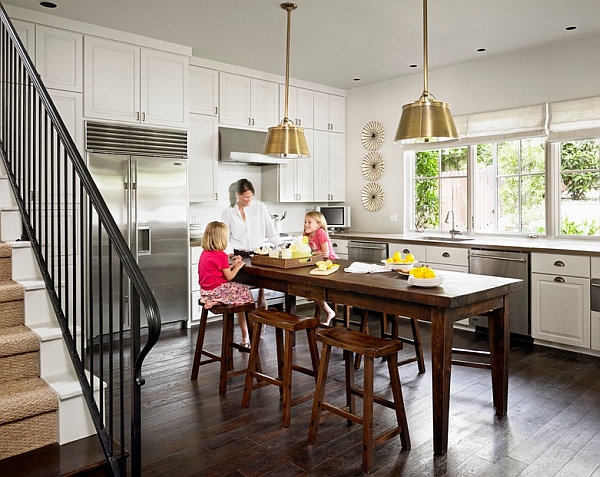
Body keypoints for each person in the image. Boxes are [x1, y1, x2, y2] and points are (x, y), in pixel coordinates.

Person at [221, 179, 279, 339]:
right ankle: (245, 336)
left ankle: (260, 328)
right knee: (241, 296)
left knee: (261, 293)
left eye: (251, 196)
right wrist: (230, 255)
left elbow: (271, 232)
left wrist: (279, 248)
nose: (249, 200)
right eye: (246, 197)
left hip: (258, 256)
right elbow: (225, 238)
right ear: (237, 195)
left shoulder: (260, 207)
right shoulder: (228, 212)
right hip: (238, 258)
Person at [198, 221, 254, 347]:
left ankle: (215, 300)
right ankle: (220, 301)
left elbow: (219, 271)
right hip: (217, 291)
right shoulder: (221, 255)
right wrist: (238, 266)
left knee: (236, 288)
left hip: (206, 291)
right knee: (245, 291)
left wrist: (233, 265)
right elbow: (229, 276)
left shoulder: (205, 253)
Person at [303, 210, 339, 325]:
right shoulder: (306, 235)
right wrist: (314, 253)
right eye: (305, 222)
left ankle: (329, 313)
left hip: (331, 264)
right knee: (311, 292)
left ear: (318, 225)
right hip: (318, 265)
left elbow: (325, 254)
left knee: (313, 292)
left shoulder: (320, 233)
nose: (306, 225)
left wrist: (314, 253)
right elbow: (306, 253)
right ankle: (329, 312)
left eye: (309, 222)